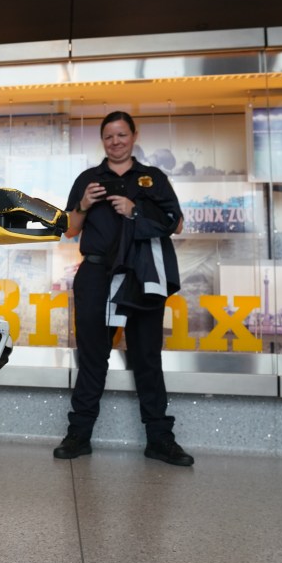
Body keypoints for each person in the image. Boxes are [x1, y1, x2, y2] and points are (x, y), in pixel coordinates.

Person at [54, 111, 193, 466]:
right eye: (108, 137)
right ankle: (79, 434)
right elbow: (70, 229)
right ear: (102, 141)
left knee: (147, 356)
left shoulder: (153, 178)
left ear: (133, 135)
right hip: (96, 274)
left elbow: (176, 223)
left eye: (121, 135)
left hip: (141, 275)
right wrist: (84, 204)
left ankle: (159, 439)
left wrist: (135, 210)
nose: (115, 142)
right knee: (91, 356)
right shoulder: (88, 178)